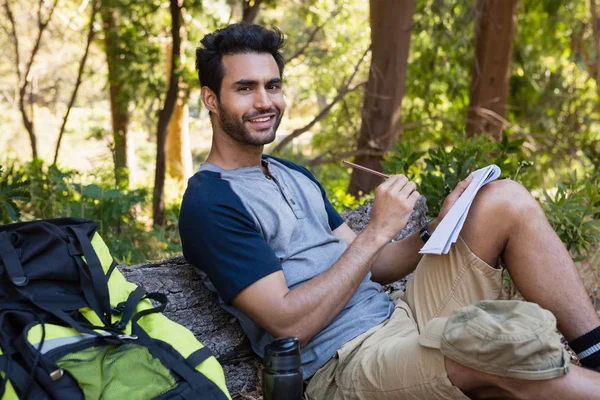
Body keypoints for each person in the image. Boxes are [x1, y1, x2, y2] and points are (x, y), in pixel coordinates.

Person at [178, 23, 600, 399]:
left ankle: (595, 352)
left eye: (273, 85)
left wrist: (437, 225)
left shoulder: (290, 173)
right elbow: (289, 325)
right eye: (245, 88)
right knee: (495, 353)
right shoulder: (210, 201)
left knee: (502, 200)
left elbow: (377, 266)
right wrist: (376, 230)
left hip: (401, 312)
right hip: (346, 363)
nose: (265, 101)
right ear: (211, 99)